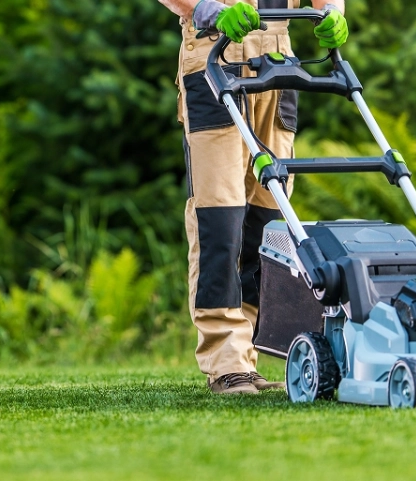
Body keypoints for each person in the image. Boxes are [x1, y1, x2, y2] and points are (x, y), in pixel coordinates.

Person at [156, 0, 348, 394]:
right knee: (220, 216)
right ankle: (226, 360)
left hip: (279, 56)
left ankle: (248, 358)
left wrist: (333, 12)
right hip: (215, 47)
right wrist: (204, 9)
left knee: (268, 221)